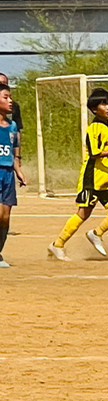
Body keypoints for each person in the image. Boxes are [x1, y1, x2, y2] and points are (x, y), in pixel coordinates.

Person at [50, 88, 108, 261]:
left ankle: (96, 233)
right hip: (93, 177)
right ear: (94, 109)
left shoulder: (107, 126)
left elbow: (105, 150)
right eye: (103, 104)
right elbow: (94, 152)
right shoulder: (94, 127)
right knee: (83, 213)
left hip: (107, 177)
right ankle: (58, 245)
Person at [0, 84, 25, 268]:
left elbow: (13, 151)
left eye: (10, 98)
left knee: (6, 217)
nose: (10, 101)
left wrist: (19, 171)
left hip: (8, 174)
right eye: (6, 97)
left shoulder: (12, 126)